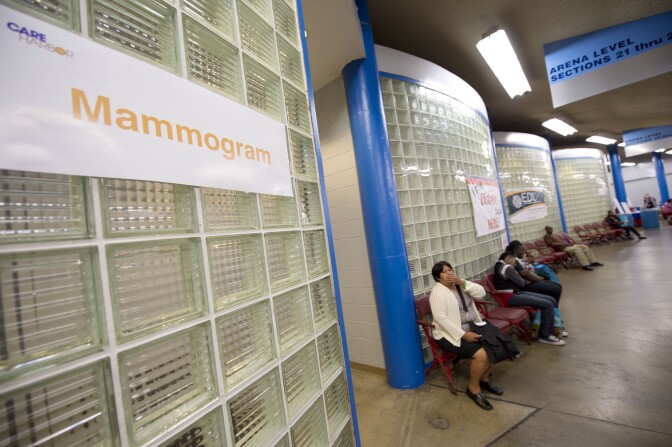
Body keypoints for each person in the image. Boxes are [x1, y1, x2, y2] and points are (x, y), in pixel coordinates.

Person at [429, 261, 503, 410]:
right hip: (449, 334)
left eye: (450, 270)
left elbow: (481, 293)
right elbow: (441, 319)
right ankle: (473, 388)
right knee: (482, 355)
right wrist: (463, 335)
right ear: (437, 278)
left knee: (498, 345)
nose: (448, 273)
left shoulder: (460, 285)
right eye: (444, 272)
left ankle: (484, 379)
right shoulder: (437, 293)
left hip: (475, 325)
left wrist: (462, 282)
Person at [493, 252, 566, 346]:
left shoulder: (500, 266)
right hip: (510, 297)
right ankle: (545, 335)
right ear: (509, 259)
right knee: (548, 304)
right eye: (515, 262)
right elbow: (522, 283)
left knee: (551, 300)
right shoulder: (506, 268)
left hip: (515, 293)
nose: (516, 265)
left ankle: (554, 327)